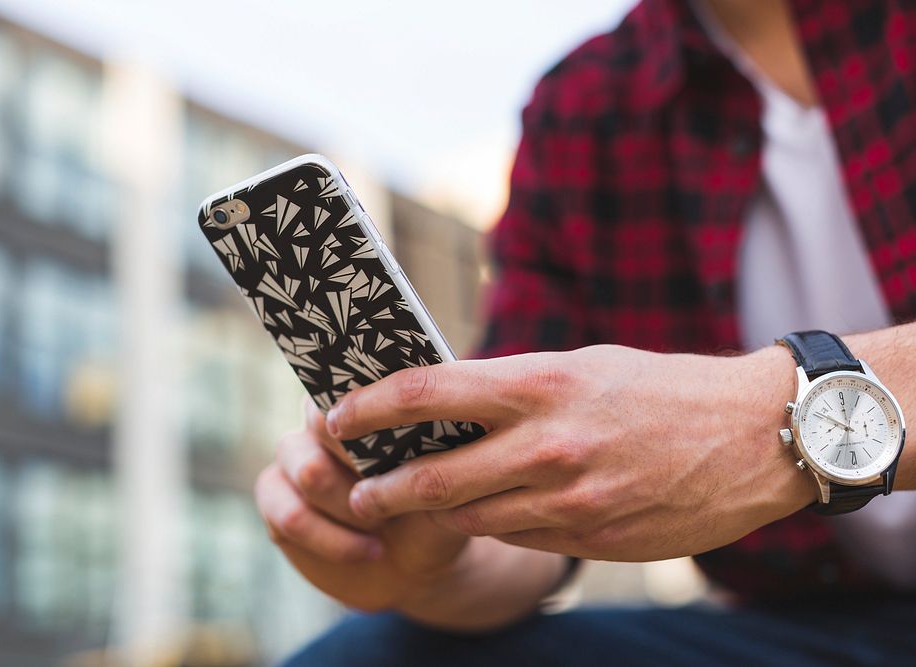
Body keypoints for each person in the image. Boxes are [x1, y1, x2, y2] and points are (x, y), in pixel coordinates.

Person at [256, 0, 916, 663]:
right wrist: (432, 559)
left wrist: (758, 426)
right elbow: (528, 499)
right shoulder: (585, 105)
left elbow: (738, 431)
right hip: (817, 624)